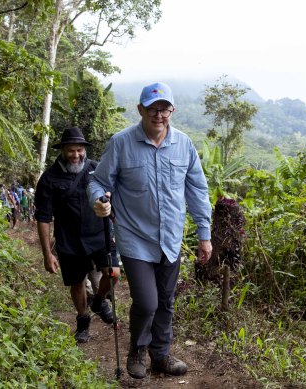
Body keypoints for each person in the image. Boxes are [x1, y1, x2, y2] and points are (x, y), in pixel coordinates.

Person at [88, 82, 213, 379]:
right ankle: (138, 349)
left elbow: (197, 190)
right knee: (147, 301)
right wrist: (99, 200)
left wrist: (204, 235)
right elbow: (98, 181)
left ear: (172, 110)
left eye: (164, 109)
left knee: (166, 301)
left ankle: (161, 355)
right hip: (135, 238)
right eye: (152, 109)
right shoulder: (121, 143)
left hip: (170, 238)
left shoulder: (184, 144)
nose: (159, 115)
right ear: (141, 109)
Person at [35, 126, 121, 343]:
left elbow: (117, 194)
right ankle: (83, 321)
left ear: (84, 150)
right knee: (77, 282)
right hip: (69, 239)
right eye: (71, 150)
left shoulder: (96, 170)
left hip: (100, 234)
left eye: (79, 150)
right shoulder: (49, 178)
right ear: (63, 150)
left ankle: (100, 300)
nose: (76, 155)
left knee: (114, 274)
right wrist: (47, 254)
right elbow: (43, 218)